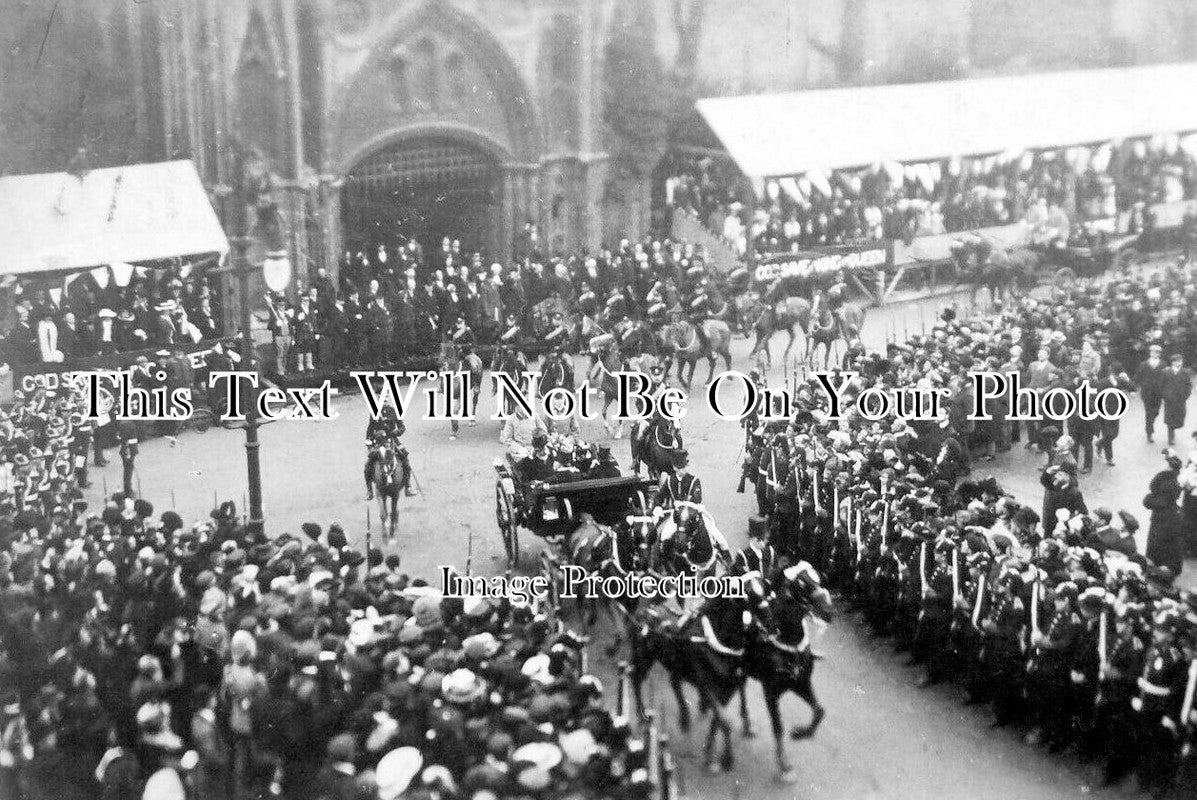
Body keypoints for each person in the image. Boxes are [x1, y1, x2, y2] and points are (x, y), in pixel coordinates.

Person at [364, 406, 414, 499]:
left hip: (392, 440)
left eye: (385, 397)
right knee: (368, 465)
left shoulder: (393, 410)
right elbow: (370, 429)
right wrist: (369, 443)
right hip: (378, 442)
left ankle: (408, 486)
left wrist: (396, 432)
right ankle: (369, 491)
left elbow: (402, 427)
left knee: (405, 460)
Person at [1135, 344, 1167, 442]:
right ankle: (1149, 433)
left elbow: (1166, 378)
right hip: (1147, 392)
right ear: (1150, 353)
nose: (1155, 354)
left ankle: (1149, 425)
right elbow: (1138, 377)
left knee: (1156, 412)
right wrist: (1133, 388)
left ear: (1160, 354)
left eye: (1157, 352)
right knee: (1149, 412)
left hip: (1158, 392)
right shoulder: (1144, 364)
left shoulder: (1163, 364)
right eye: (1153, 352)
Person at [1162, 353, 1192, 445]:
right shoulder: (1166, 372)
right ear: (1172, 362)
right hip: (1169, 399)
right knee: (1169, 418)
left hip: (1180, 399)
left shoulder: (1185, 372)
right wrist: (1164, 396)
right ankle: (1171, 437)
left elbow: (1189, 385)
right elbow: (1161, 385)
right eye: (1177, 361)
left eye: (1180, 361)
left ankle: (1174, 428)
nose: (1179, 363)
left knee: (1180, 416)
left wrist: (1186, 396)